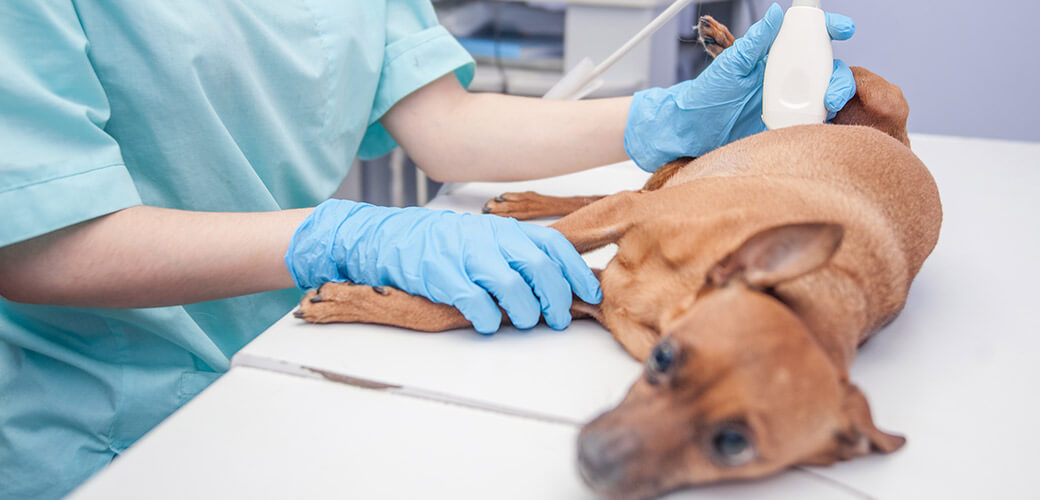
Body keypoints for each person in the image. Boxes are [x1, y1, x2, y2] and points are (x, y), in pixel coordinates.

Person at [0, 1, 855, 498]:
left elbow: (445, 127)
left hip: (291, 353)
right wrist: (340, 234)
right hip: (99, 417)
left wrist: (664, 119)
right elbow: (37, 246)